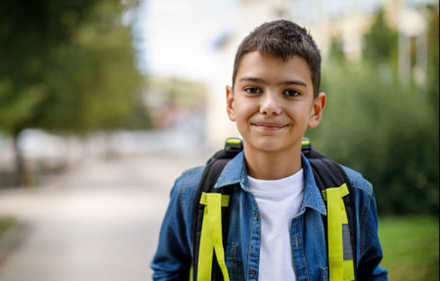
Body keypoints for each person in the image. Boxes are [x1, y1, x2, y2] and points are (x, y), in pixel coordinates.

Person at [151, 19, 388, 281]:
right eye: (253, 90)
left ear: (315, 109)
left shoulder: (353, 193)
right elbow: (167, 272)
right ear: (231, 103)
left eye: (291, 92)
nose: (270, 106)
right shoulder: (191, 191)